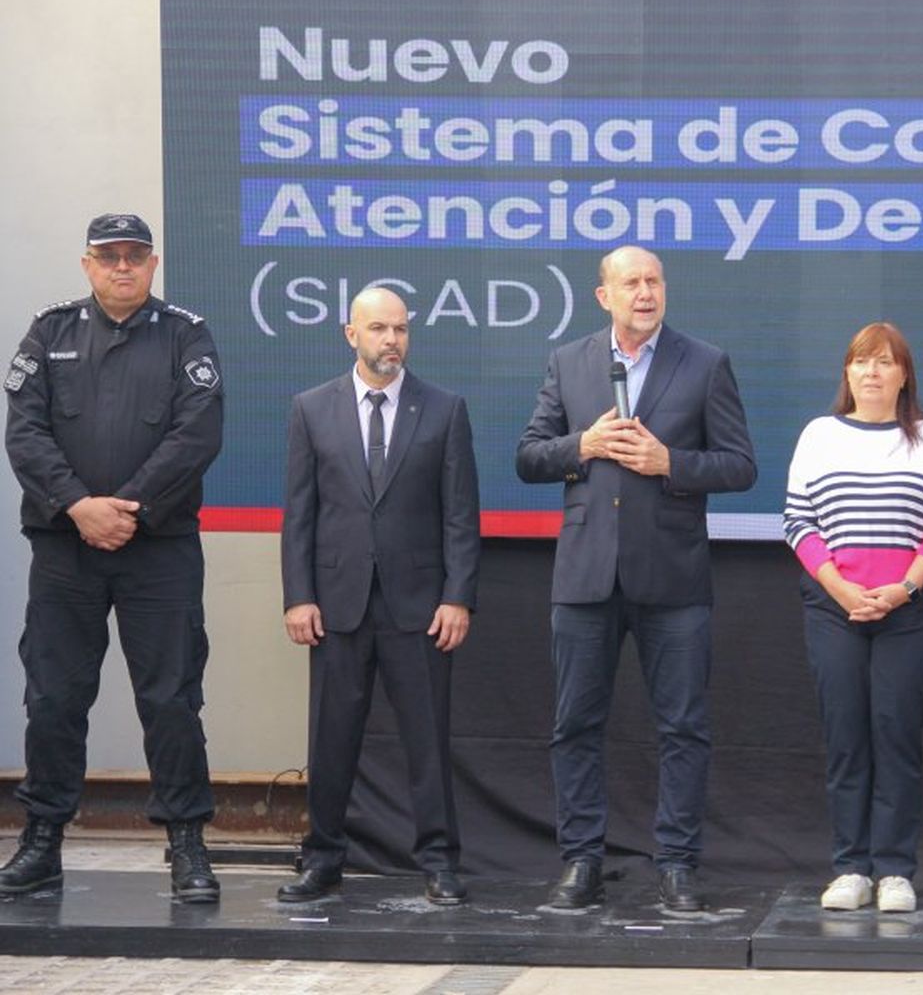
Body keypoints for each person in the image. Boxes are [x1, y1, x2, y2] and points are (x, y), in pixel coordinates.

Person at [516, 245, 756, 912]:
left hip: (674, 577)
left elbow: (740, 466)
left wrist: (669, 462)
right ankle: (581, 861)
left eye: (654, 281)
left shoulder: (705, 363)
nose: (645, 292)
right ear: (604, 297)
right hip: (586, 574)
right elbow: (531, 458)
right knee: (575, 725)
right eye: (631, 283)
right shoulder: (569, 363)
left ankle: (677, 864)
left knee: (683, 727)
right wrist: (582, 448)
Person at [0, 213, 224, 902]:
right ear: (87, 264)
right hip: (67, 548)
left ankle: (187, 844)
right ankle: (42, 842)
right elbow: (25, 433)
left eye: (134, 256)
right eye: (108, 257)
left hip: (158, 550)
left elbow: (198, 436)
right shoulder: (51, 331)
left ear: (153, 265)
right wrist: (79, 507)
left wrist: (125, 508)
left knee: (172, 698)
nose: (121, 267)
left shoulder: (187, 334)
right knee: (55, 699)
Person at [277, 286, 480, 906]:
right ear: (350, 334)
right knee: (331, 740)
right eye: (378, 329)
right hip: (337, 605)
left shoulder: (443, 409)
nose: (391, 340)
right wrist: (298, 595)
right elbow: (300, 515)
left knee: (426, 738)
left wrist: (458, 597)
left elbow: (460, 515)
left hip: (419, 608)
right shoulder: (312, 409)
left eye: (400, 329)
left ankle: (440, 864)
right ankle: (323, 861)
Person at [783, 322, 923, 914]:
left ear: (904, 375)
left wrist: (905, 588)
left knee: (895, 734)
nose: (872, 372)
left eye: (885, 362)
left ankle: (893, 871)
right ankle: (850, 868)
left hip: (909, 612)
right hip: (835, 610)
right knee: (846, 738)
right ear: (847, 372)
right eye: (862, 361)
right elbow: (799, 522)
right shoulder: (818, 435)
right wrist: (841, 590)